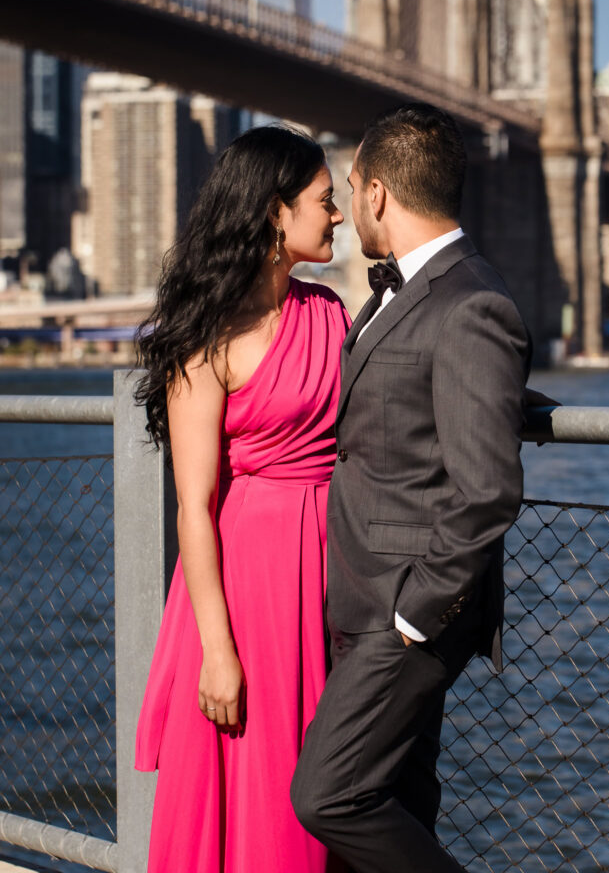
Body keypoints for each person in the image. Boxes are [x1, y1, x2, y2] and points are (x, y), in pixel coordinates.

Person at [291, 103, 532, 872]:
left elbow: (486, 489)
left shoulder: (471, 304)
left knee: (327, 795)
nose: (349, 205)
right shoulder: (395, 295)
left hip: (407, 608)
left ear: (378, 195)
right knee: (397, 797)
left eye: (352, 186)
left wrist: (414, 616)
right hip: (362, 595)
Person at [134, 125, 348, 873]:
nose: (339, 214)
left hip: (330, 568)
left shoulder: (330, 313)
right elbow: (195, 505)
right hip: (247, 584)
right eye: (324, 201)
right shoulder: (207, 336)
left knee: (324, 781)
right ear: (273, 214)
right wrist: (217, 651)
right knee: (251, 776)